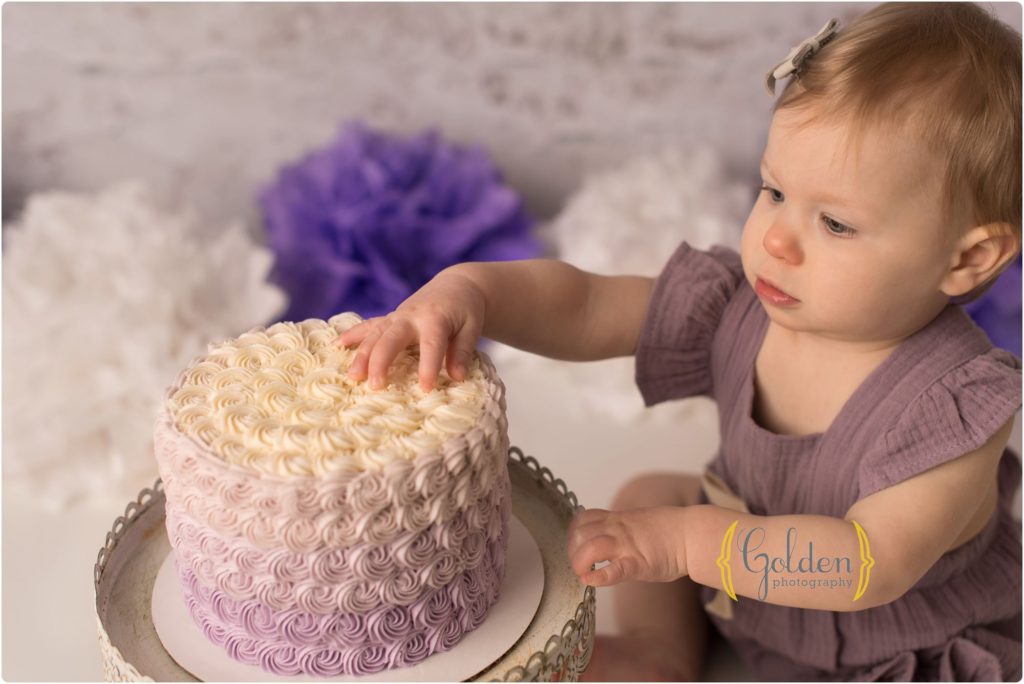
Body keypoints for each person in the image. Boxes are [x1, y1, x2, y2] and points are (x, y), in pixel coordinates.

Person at [336, 3, 1022, 680]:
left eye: (836, 224)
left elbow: (867, 562)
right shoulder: (738, 305)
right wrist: (472, 292)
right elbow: (586, 305)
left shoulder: (955, 407)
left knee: (662, 519)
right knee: (645, 492)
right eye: (774, 191)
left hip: (893, 648)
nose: (776, 240)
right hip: (748, 586)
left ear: (967, 259)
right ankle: (659, 656)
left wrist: (682, 544)